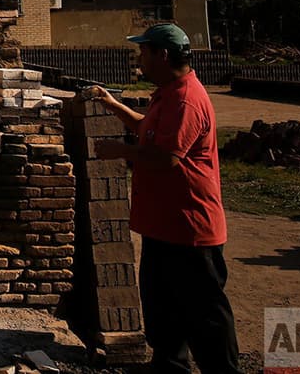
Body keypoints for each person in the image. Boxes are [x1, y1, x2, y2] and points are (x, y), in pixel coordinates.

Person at [90, 23, 240, 374]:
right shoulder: (168, 93)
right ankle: (170, 366)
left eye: (144, 52)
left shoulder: (187, 99)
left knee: (205, 316)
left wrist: (118, 150)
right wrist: (113, 105)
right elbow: (148, 128)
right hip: (163, 226)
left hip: (190, 229)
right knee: (164, 311)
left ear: (163, 55)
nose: (139, 58)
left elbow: (168, 156)